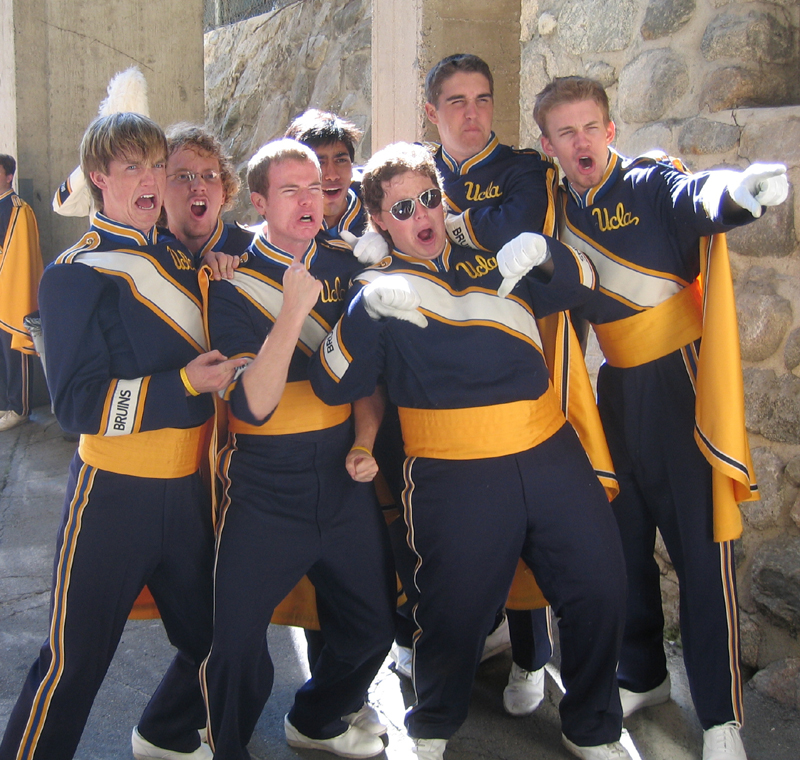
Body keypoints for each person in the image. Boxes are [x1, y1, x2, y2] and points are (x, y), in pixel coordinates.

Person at [309, 141, 631, 760]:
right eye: (401, 208)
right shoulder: (374, 285)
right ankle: (433, 722)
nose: (420, 215)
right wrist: (363, 311)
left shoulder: (490, 257)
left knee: (600, 587)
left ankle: (592, 724)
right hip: (452, 470)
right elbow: (333, 383)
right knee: (451, 612)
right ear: (377, 218)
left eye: (428, 198)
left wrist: (543, 258)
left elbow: (583, 289)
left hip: (549, 451)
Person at [534, 76, 789, 760]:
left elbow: (699, 197)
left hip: (680, 386)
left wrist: (740, 192)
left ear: (609, 130)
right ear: (549, 145)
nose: (581, 141)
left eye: (591, 126)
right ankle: (640, 674)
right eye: (566, 132)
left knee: (701, 552)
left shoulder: (649, 183)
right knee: (622, 542)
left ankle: (720, 715)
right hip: (614, 391)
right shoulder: (555, 206)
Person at [0, 113, 246, 760]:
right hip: (111, 497)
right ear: (98, 179)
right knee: (73, 667)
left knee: (218, 643)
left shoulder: (175, 256)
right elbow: (78, 408)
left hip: (185, 499)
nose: (148, 179)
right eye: (131, 166)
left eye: (155, 165)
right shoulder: (75, 273)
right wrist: (185, 387)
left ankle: (166, 732)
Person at [199, 138, 396, 760]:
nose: (310, 199)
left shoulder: (350, 261)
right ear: (258, 202)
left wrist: (365, 440)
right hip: (262, 483)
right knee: (232, 641)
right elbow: (251, 403)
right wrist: (292, 312)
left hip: (340, 476)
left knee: (373, 626)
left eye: (314, 186)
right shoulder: (230, 282)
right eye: (291, 190)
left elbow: (366, 377)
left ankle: (316, 718)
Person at [421, 52, 561, 714]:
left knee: (526, 511)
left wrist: (441, 227)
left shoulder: (523, 168)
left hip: (511, 359)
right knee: (453, 521)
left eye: (482, 99)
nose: (472, 114)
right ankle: (453, 636)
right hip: (439, 368)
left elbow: (519, 230)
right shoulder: (419, 172)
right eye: (457, 101)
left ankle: (532, 654)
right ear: (433, 111)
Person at [163, 123, 253, 274]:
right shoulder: (149, 259)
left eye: (210, 176)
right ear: (159, 191)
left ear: (224, 193)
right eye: (183, 176)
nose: (198, 185)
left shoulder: (253, 251)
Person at [0, 154, 42, 431]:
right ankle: (4, 403)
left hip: (11, 289)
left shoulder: (18, 208)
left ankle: (19, 407)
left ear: (9, 176)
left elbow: (20, 256)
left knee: (14, 352)